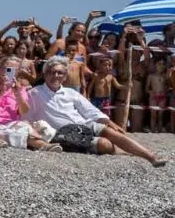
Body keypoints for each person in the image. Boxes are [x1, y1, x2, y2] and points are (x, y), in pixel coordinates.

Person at [23, 57, 166, 167]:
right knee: (105, 144)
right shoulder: (34, 93)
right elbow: (25, 114)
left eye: (60, 73)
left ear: (65, 76)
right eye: (52, 72)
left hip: (83, 124)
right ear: (45, 74)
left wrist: (111, 123)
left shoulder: (71, 93)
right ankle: (129, 151)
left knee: (111, 131)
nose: (56, 76)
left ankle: (150, 156)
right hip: (65, 133)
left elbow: (90, 110)